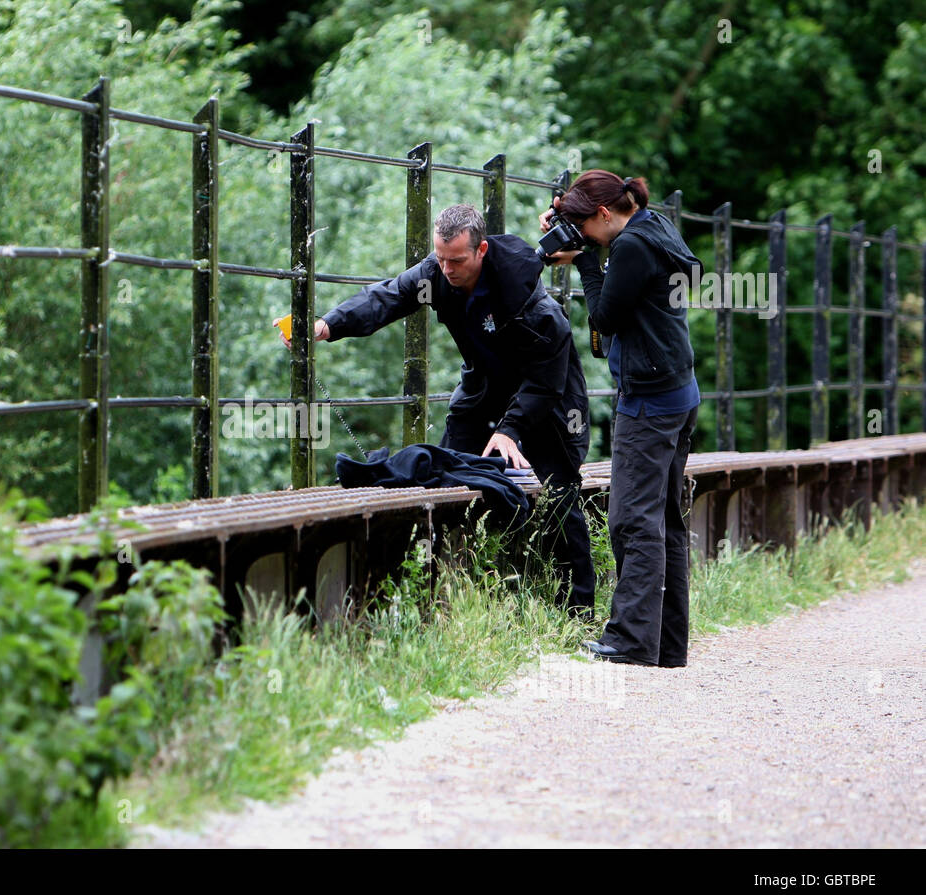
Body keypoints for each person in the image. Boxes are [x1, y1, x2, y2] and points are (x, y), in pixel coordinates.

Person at [275, 203, 595, 617]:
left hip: (546, 394)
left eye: (457, 260)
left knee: (559, 490)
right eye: (440, 258)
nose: (447, 269)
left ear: (481, 249)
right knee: (445, 476)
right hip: (483, 387)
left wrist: (512, 429)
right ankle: (449, 599)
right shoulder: (436, 272)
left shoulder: (529, 301)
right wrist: (328, 325)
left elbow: (546, 378)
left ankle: (579, 612)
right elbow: (387, 297)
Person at [540, 171, 701, 667]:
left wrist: (587, 261)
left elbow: (605, 317)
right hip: (680, 392)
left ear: (605, 214)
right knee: (667, 521)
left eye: (583, 225)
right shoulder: (657, 225)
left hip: (649, 402)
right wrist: (577, 231)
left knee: (633, 520)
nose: (582, 235)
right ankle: (666, 644)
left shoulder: (629, 247)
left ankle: (630, 641)